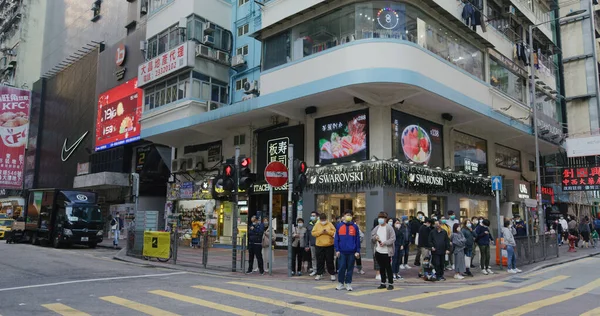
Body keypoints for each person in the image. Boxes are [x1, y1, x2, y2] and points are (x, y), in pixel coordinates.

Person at [334, 211, 361, 291]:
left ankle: (348, 283)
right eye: (347, 215)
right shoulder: (339, 226)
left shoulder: (355, 227)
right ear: (344, 216)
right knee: (341, 267)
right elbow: (336, 239)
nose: (349, 216)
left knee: (350, 268)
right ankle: (340, 283)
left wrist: (357, 251)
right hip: (342, 251)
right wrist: (337, 249)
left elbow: (357, 240)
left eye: (350, 215)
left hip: (352, 252)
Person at [371, 212, 396, 290]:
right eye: (379, 218)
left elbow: (393, 238)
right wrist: (375, 238)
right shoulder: (377, 228)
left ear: (385, 219)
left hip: (386, 251)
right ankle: (383, 283)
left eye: (382, 218)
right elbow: (372, 236)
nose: (380, 219)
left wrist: (385, 243)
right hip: (378, 251)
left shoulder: (389, 228)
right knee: (381, 267)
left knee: (388, 267)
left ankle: (391, 283)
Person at [311, 213, 336, 281]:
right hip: (319, 245)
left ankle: (332, 274)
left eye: (324, 219)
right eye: (322, 220)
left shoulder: (330, 224)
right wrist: (320, 232)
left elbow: (334, 232)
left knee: (330, 260)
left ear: (326, 219)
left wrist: (328, 232)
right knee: (320, 260)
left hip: (329, 245)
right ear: (320, 219)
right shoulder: (317, 225)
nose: (323, 221)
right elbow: (313, 233)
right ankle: (319, 274)